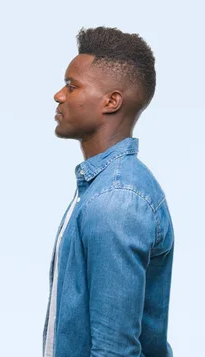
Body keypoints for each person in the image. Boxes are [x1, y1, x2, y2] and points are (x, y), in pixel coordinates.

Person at [43, 27, 175, 357]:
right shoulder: (102, 188)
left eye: (72, 86)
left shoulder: (115, 199)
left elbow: (114, 350)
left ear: (111, 101)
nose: (59, 95)